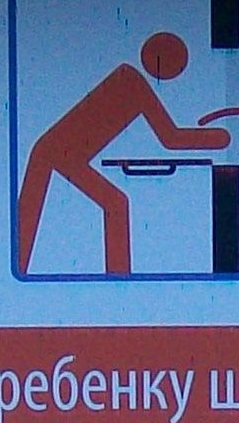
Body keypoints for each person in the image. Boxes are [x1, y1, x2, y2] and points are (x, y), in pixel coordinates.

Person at [14, 29, 227, 275]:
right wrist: (221, 137)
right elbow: (170, 137)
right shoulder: (131, 82)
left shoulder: (130, 79)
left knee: (112, 203)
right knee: (116, 204)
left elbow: (169, 136)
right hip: (55, 153)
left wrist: (216, 137)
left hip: (56, 152)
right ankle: (118, 280)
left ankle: (117, 278)